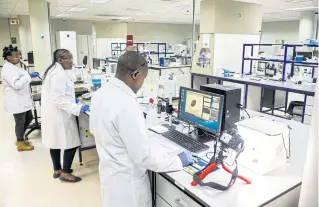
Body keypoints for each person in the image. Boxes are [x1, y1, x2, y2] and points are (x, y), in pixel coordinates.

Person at [90, 51, 195, 207]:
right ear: (136, 74)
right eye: (143, 79)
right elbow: (144, 157)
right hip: (129, 187)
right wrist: (177, 161)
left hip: (111, 176)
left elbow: (94, 130)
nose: (142, 83)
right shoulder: (126, 105)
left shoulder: (100, 94)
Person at [41, 49, 90, 183]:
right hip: (60, 114)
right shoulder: (58, 75)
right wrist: (77, 108)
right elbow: (59, 100)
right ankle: (66, 173)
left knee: (55, 141)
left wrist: (72, 100)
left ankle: (57, 170)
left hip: (53, 113)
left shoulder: (53, 70)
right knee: (72, 142)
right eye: (70, 58)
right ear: (61, 59)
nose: (72, 61)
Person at [1, 45, 39, 152]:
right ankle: (20, 143)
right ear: (8, 57)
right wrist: (28, 77)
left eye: (18, 55)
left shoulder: (14, 66)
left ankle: (21, 135)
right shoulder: (7, 68)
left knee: (29, 118)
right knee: (20, 122)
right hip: (16, 101)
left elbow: (20, 76)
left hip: (22, 99)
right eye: (15, 56)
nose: (18, 57)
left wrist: (28, 74)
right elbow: (16, 84)